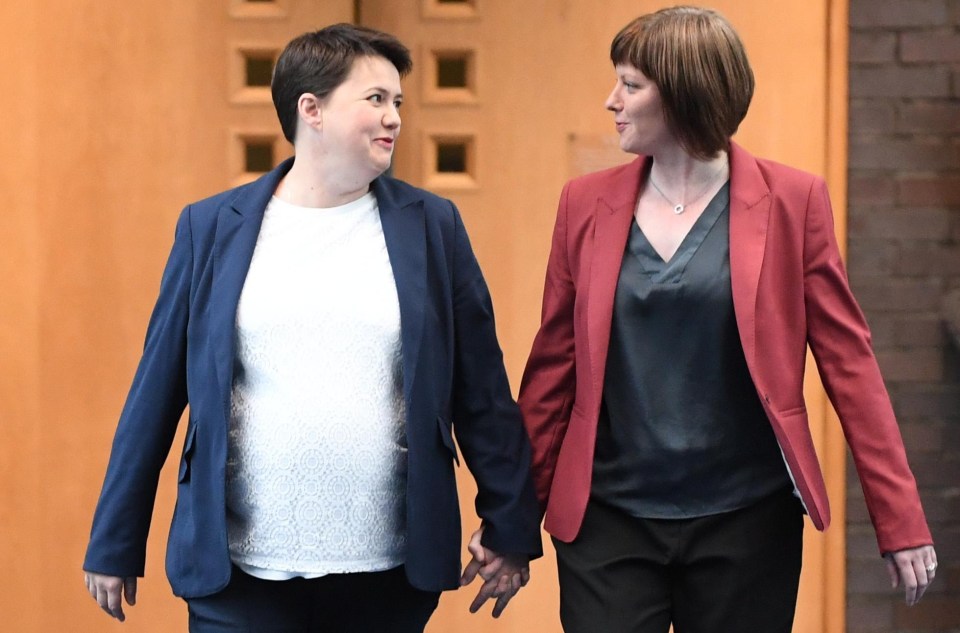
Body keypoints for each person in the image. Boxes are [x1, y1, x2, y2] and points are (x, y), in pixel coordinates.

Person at [83, 23, 541, 632]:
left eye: (398, 102)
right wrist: (115, 540)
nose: (394, 118)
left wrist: (510, 524)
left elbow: (482, 389)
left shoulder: (432, 225)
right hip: (240, 577)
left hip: (387, 576)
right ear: (312, 109)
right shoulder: (212, 227)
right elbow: (155, 393)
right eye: (375, 99)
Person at [517, 6, 937, 632]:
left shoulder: (794, 202)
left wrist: (899, 519)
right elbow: (551, 372)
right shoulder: (585, 204)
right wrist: (510, 521)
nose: (612, 101)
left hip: (747, 523)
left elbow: (851, 368)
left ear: (687, 93)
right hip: (609, 523)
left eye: (630, 85)